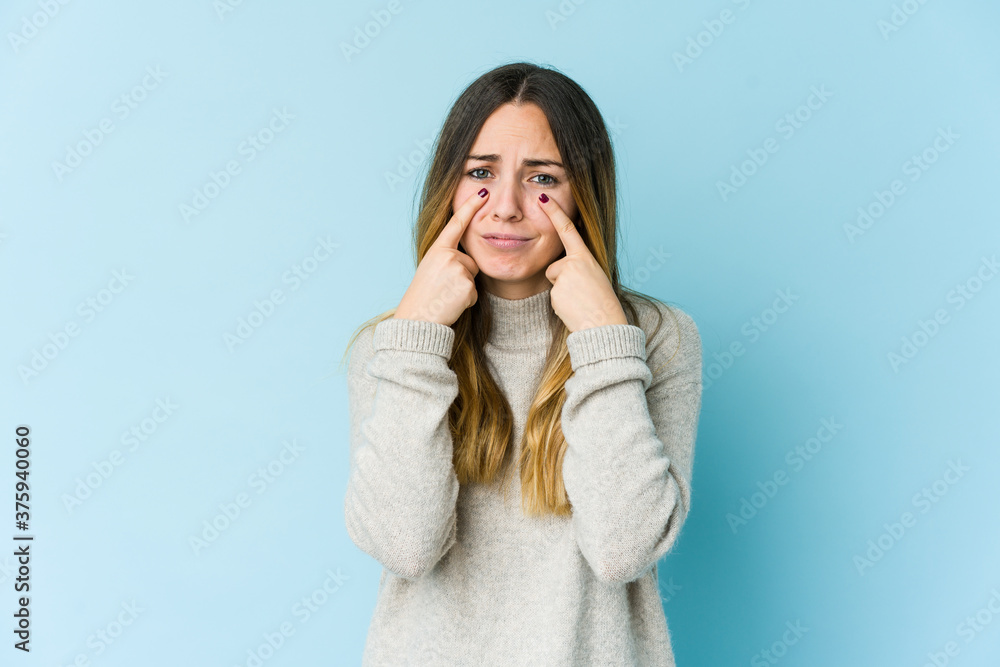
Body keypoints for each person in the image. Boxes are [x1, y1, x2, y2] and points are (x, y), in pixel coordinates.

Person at [341, 61, 703, 666]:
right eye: (480, 173)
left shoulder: (656, 338)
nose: (505, 206)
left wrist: (604, 338)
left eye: (542, 179)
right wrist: (418, 340)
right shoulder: (390, 348)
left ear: (583, 194)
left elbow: (623, 548)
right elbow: (405, 546)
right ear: (447, 189)